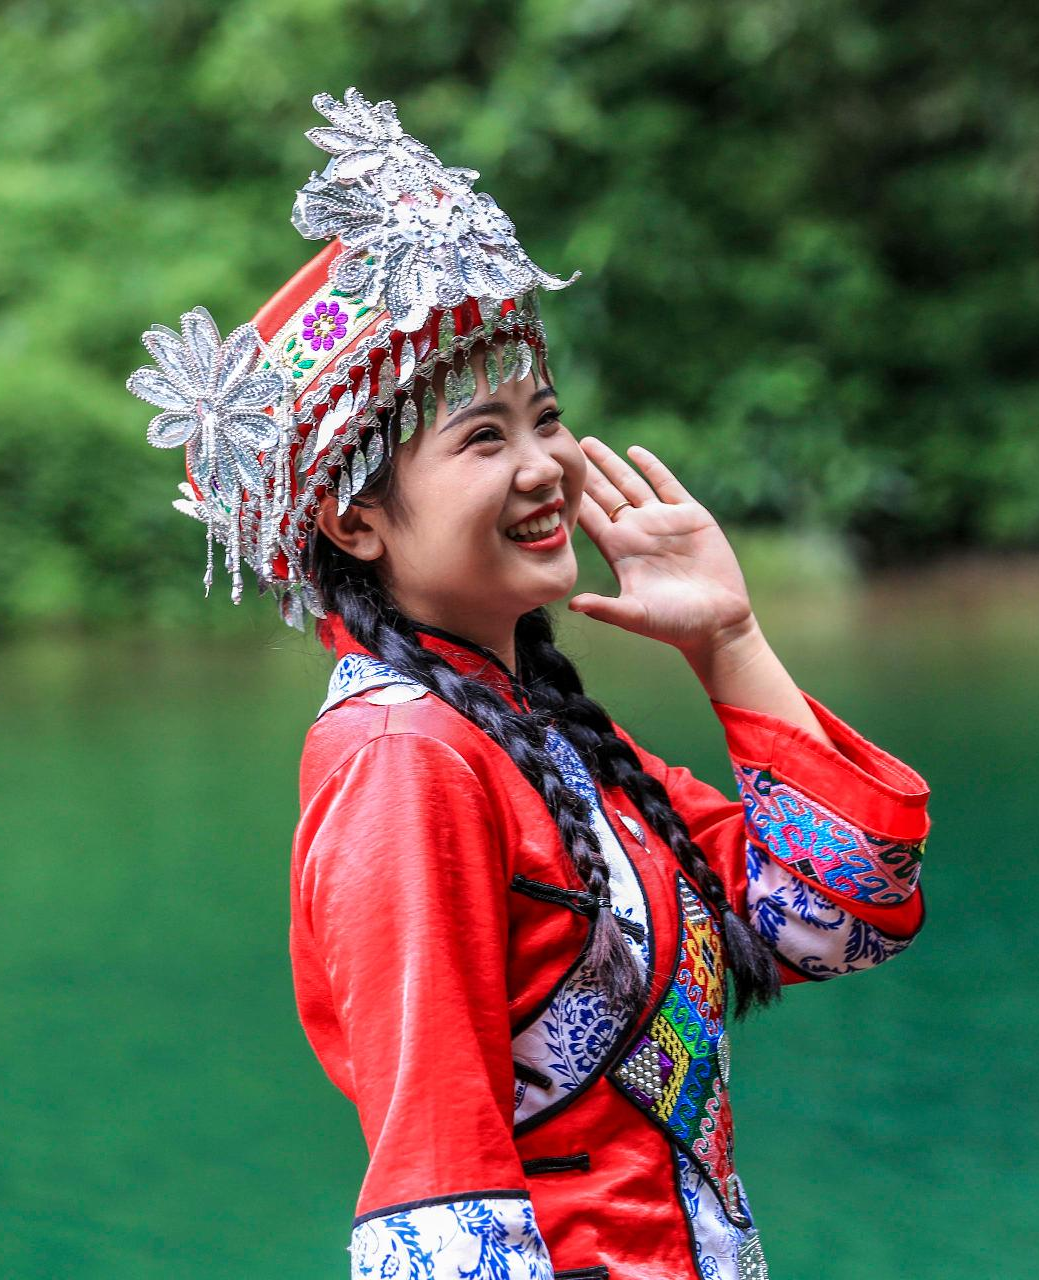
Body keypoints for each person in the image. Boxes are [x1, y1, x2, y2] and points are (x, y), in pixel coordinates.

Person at [128, 89, 932, 1280]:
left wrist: (729, 637)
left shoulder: (538, 737)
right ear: (355, 521)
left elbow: (838, 915)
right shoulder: (407, 758)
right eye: (483, 437)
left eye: (544, 416)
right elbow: (437, 1174)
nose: (547, 463)